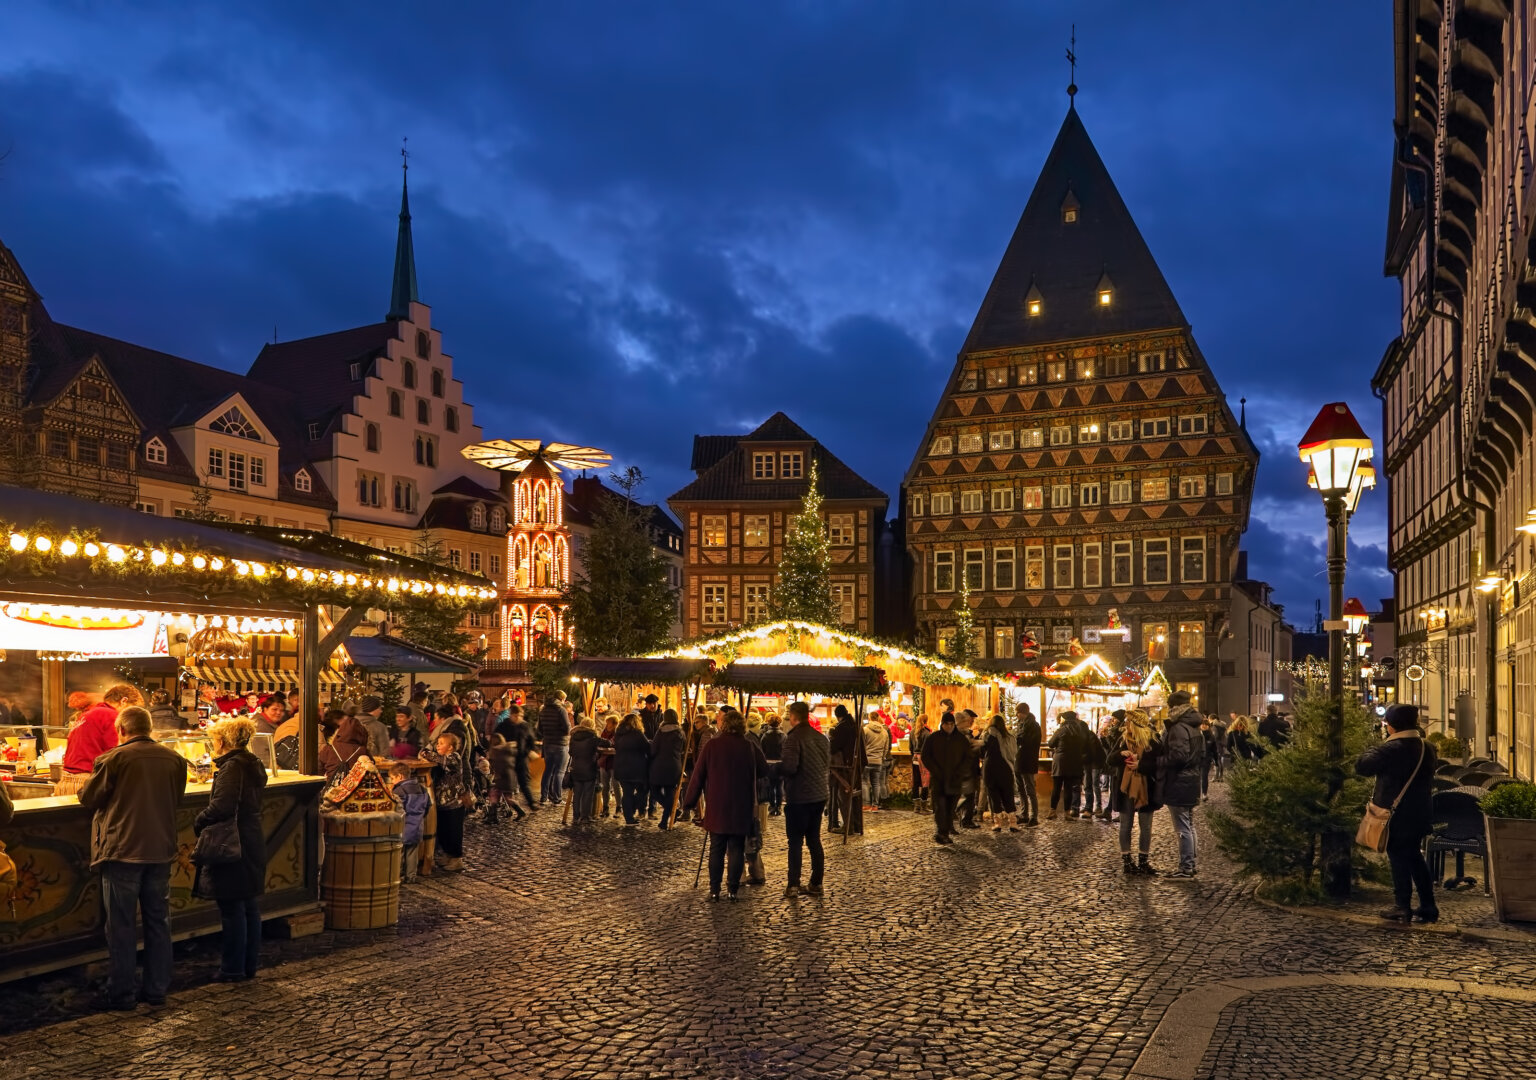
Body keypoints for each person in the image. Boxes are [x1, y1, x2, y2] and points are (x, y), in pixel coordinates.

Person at [77, 705, 188, 1009]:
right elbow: (177, 798)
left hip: (122, 850)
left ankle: (122, 994)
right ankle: (156, 990)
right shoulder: (175, 760)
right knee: (159, 922)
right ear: (149, 728)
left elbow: (89, 798)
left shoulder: (113, 759)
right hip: (161, 850)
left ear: (121, 730)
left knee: (122, 925)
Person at [193, 717, 268, 983]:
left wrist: (200, 820)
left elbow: (222, 806)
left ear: (222, 741)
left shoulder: (232, 767)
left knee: (233, 906)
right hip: (250, 838)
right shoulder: (253, 763)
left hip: (233, 842)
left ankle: (233, 968)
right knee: (248, 904)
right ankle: (247, 965)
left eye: (214, 739)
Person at [1357, 703, 1439, 923]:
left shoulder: (1390, 749)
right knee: (1414, 857)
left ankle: (1402, 906)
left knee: (1399, 859)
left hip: (1396, 816)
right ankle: (1428, 905)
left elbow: (1362, 767)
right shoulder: (1427, 747)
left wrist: (1375, 745)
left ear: (1391, 726)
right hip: (1421, 813)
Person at [681, 708, 768, 902]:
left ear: (724, 725)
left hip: (717, 804)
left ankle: (714, 890)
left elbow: (698, 775)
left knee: (717, 848)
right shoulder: (748, 746)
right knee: (736, 848)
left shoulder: (713, 745)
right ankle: (732, 890)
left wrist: (689, 802)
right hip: (741, 804)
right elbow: (763, 770)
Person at [776, 701, 829, 898]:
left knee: (796, 841)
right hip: (819, 795)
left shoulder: (793, 738)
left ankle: (793, 885)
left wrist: (774, 769)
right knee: (814, 839)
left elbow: (790, 767)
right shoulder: (821, 738)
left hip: (799, 796)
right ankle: (816, 883)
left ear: (792, 716)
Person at [58, 684, 143, 798]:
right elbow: (116, 754)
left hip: (67, 782)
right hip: (86, 784)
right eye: (131, 710)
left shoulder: (88, 714)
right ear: (123, 701)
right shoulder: (111, 715)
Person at [1155, 691, 1206, 879]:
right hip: (1192, 779)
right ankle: (1190, 863)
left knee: (1183, 827)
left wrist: (1159, 761)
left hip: (1179, 781)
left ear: (1174, 708)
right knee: (1189, 824)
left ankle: (1186, 867)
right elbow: (1201, 754)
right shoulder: (1195, 726)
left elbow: (1178, 756)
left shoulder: (1178, 728)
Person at [1110, 709, 1161, 875]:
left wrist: (1141, 766)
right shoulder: (1122, 739)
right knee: (1126, 825)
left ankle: (1143, 862)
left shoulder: (1153, 741)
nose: (1126, 724)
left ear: (1137, 724)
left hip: (1147, 788)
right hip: (1125, 789)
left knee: (1145, 827)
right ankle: (1127, 861)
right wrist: (1120, 754)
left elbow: (1159, 764)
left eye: (1129, 722)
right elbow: (1109, 759)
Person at [920, 711, 969, 844]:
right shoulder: (933, 738)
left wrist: (961, 772)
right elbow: (925, 756)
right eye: (946, 724)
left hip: (954, 780)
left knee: (949, 808)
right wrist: (935, 770)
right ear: (942, 724)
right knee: (940, 806)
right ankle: (942, 832)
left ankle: (944, 832)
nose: (949, 726)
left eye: (951, 724)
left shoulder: (960, 739)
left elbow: (967, 757)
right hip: (939, 779)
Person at [424, 732, 470, 872]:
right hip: (443, 802)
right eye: (437, 743)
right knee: (443, 830)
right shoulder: (441, 757)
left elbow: (443, 761)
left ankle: (456, 858)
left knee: (453, 831)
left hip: (454, 802)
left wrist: (427, 753)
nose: (438, 745)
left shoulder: (454, 757)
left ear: (450, 747)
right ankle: (447, 855)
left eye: (441, 743)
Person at [389, 762, 431, 882]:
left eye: (393, 778)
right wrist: (421, 816)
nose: (392, 782)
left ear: (400, 776)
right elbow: (428, 805)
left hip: (403, 827)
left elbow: (397, 809)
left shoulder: (400, 790)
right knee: (413, 853)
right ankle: (411, 876)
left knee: (400, 853)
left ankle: (399, 875)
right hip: (418, 827)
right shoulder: (422, 789)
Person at [566, 715, 610, 825]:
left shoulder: (574, 736)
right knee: (587, 793)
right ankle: (585, 817)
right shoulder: (592, 736)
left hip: (576, 768)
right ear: (592, 726)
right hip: (589, 767)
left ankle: (576, 816)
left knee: (577, 794)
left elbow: (570, 752)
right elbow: (607, 743)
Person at [979, 714, 1019, 833]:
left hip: (990, 768)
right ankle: (1013, 823)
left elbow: (982, 752)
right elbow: (1014, 752)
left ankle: (997, 824)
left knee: (993, 795)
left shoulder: (986, 736)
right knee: (1008, 794)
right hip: (1005, 768)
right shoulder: (1009, 737)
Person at [1046, 710, 1088, 821]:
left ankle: (1052, 811)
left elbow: (1051, 743)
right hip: (1073, 762)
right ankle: (1067, 813)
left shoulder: (1061, 730)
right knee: (1068, 788)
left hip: (1060, 761)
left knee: (1057, 787)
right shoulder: (1079, 731)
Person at [648, 708, 686, 829]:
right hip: (674, 766)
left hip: (659, 766)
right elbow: (684, 749)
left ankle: (666, 819)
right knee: (670, 793)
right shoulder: (680, 732)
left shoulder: (660, 731)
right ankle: (667, 818)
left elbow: (653, 749)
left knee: (654, 791)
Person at [611, 714, 651, 826]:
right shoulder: (637, 734)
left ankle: (629, 817)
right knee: (643, 791)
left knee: (627, 793)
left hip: (621, 767)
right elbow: (647, 748)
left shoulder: (618, 734)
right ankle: (632, 808)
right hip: (636, 768)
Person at [826, 704, 859, 833]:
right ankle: (855, 825)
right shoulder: (854, 725)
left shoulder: (842, 727)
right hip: (853, 764)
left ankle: (848, 826)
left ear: (837, 716)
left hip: (844, 766)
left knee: (843, 796)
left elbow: (834, 747)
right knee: (852, 797)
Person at [483, 733, 528, 823]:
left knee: (498, 795)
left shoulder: (497, 751)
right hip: (508, 778)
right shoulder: (506, 750)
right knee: (501, 796)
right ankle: (495, 816)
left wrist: (497, 774)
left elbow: (499, 765)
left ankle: (494, 816)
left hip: (503, 778)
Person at [537, 691, 572, 806]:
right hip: (560, 744)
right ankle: (557, 798)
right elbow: (567, 727)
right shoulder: (561, 709)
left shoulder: (543, 710)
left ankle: (543, 797)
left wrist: (547, 735)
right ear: (562, 699)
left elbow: (539, 728)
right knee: (559, 772)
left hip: (547, 743)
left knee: (548, 770)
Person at [1013, 704, 1041, 827]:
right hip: (1019, 760)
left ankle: (1033, 816)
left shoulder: (1033, 726)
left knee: (1029, 789)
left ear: (1022, 712)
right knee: (1021, 789)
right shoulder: (1021, 724)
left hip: (1028, 760)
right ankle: (1024, 814)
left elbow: (1029, 743)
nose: (1016, 715)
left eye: (1017, 712)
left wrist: (1017, 738)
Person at [319, 714, 370, 778]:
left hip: (333, 787)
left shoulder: (329, 749)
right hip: (355, 787)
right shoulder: (363, 751)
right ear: (361, 734)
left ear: (340, 732)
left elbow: (319, 770)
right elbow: (371, 770)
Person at [956, 711, 983, 829]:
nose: (970, 722)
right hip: (966, 769)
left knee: (967, 794)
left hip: (969, 768)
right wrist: (978, 745)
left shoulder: (964, 733)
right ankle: (965, 819)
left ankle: (965, 819)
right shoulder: (960, 734)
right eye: (968, 720)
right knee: (967, 795)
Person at [862, 710, 890, 811]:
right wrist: (881, 758)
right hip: (878, 761)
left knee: (864, 781)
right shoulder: (885, 731)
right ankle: (875, 805)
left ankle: (866, 804)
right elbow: (886, 748)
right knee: (876, 783)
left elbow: (861, 745)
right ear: (878, 718)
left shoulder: (865, 730)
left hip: (867, 760)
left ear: (869, 718)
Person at [1081, 714, 1109, 819]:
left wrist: (1083, 758)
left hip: (1095, 764)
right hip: (1088, 764)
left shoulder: (1090, 736)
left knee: (1094, 784)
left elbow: (1093, 752)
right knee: (1088, 784)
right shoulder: (1085, 736)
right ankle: (1089, 806)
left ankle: (1098, 806)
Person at [760, 715, 785, 815]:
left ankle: (771, 806)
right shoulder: (783, 735)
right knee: (779, 786)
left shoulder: (765, 735)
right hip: (779, 763)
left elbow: (762, 749)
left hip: (769, 763)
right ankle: (778, 806)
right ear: (779, 723)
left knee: (770, 786)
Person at [598, 713, 621, 817]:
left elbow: (613, 746)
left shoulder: (618, 734)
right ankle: (605, 808)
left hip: (615, 763)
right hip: (604, 762)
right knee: (605, 786)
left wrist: (607, 748)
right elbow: (602, 744)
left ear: (614, 724)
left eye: (609, 723)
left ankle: (619, 807)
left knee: (616, 786)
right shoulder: (604, 732)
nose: (607, 725)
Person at [909, 715, 931, 813]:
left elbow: (910, 747)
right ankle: (924, 807)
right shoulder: (927, 733)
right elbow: (928, 749)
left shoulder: (912, 732)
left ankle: (916, 807)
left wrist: (913, 754)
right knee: (925, 781)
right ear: (926, 721)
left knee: (915, 781)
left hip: (914, 757)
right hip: (923, 758)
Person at [357, 695, 390, 760]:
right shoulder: (379, 727)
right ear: (374, 709)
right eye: (380, 708)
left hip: (354, 766)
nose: (381, 711)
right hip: (372, 765)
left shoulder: (351, 724)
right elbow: (384, 751)